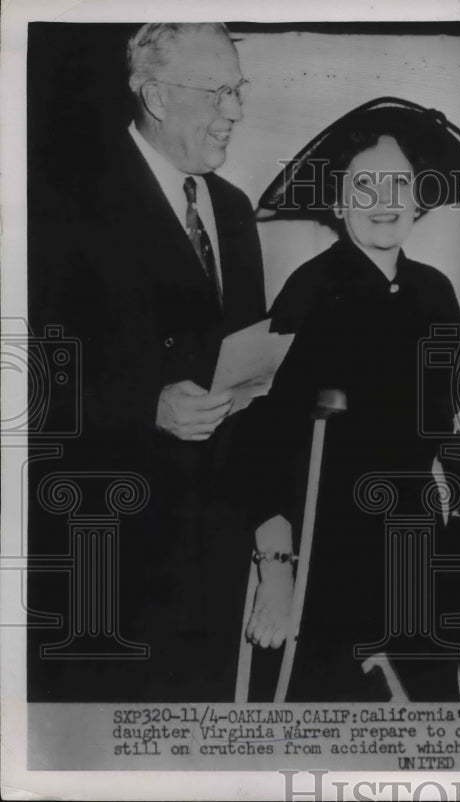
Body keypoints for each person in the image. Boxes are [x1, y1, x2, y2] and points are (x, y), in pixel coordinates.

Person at [242, 100, 460, 700]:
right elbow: (264, 441)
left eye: (399, 183)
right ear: (339, 201)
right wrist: (276, 571)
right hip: (327, 555)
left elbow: (452, 412)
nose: (384, 199)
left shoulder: (434, 292)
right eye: (365, 184)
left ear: (418, 199)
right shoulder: (309, 290)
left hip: (416, 547)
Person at [37, 23, 266, 701]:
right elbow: (28, 380)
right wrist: (146, 405)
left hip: (216, 567)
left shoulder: (233, 211)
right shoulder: (64, 204)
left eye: (238, 90)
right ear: (157, 97)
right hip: (114, 568)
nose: (236, 111)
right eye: (218, 93)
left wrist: (268, 544)